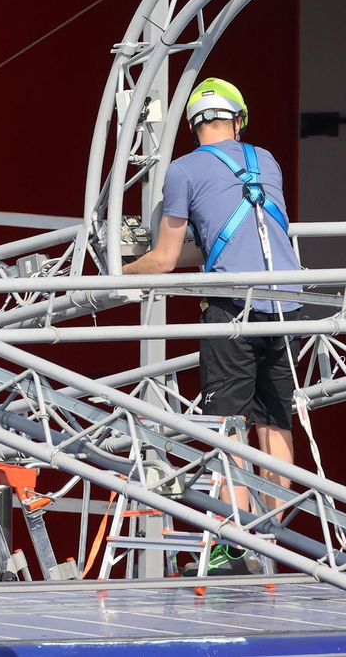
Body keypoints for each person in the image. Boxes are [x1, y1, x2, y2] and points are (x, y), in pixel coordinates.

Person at [123, 77, 303, 576]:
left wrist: (121, 270)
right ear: (239, 120)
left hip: (232, 309)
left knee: (230, 425)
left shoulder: (182, 171)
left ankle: (237, 542)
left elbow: (161, 261)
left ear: (193, 125)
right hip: (287, 304)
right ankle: (272, 534)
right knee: (275, 421)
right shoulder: (266, 161)